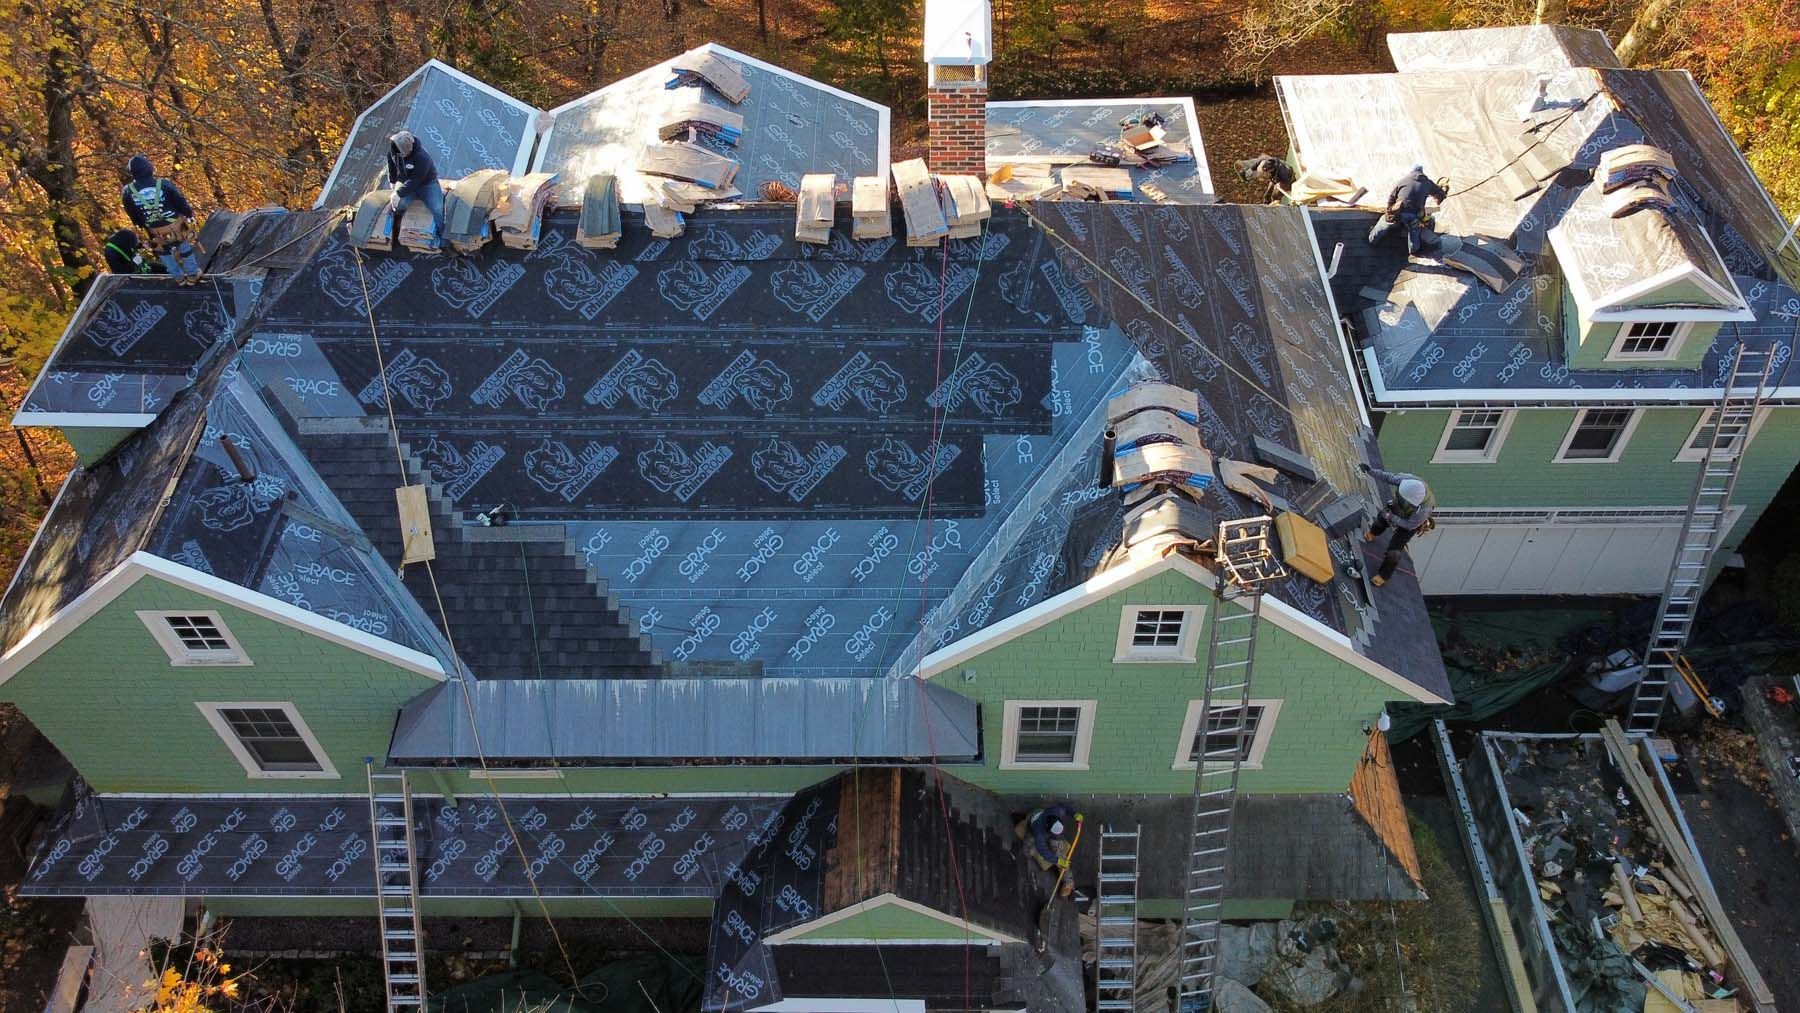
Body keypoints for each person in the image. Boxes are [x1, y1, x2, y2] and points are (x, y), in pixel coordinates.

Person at [120, 155, 201, 283]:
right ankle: (192, 274)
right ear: (149, 168)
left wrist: (142, 225)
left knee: (163, 252)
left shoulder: (128, 191)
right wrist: (189, 214)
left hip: (154, 229)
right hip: (175, 224)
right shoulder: (164, 184)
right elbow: (180, 201)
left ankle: (178, 277)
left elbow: (132, 212)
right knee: (183, 245)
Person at [1360, 463, 1435, 587]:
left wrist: (1392, 517)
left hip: (1410, 522)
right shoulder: (1408, 480)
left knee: (1394, 552)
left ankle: (1383, 576)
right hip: (1399, 507)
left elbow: (1408, 525)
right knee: (1381, 518)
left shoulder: (1423, 511)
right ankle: (1373, 533)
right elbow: (1388, 477)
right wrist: (1370, 471)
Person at [1366, 164, 1447, 256]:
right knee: (1414, 232)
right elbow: (1440, 194)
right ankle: (1413, 250)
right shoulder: (1428, 183)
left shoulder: (1403, 181)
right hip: (1414, 216)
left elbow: (1392, 197)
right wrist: (1443, 191)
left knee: (1383, 223)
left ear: (1411, 171)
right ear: (1422, 172)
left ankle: (1372, 239)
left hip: (1398, 213)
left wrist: (1389, 211)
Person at [386, 130, 444, 246]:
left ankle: (443, 236)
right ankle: (396, 229)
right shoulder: (394, 151)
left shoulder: (422, 157)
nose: (402, 155)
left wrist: (399, 193)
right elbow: (391, 167)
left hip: (427, 184)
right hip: (406, 182)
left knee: (437, 208)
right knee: (399, 204)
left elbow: (416, 180)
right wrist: (393, 184)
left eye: (404, 153)